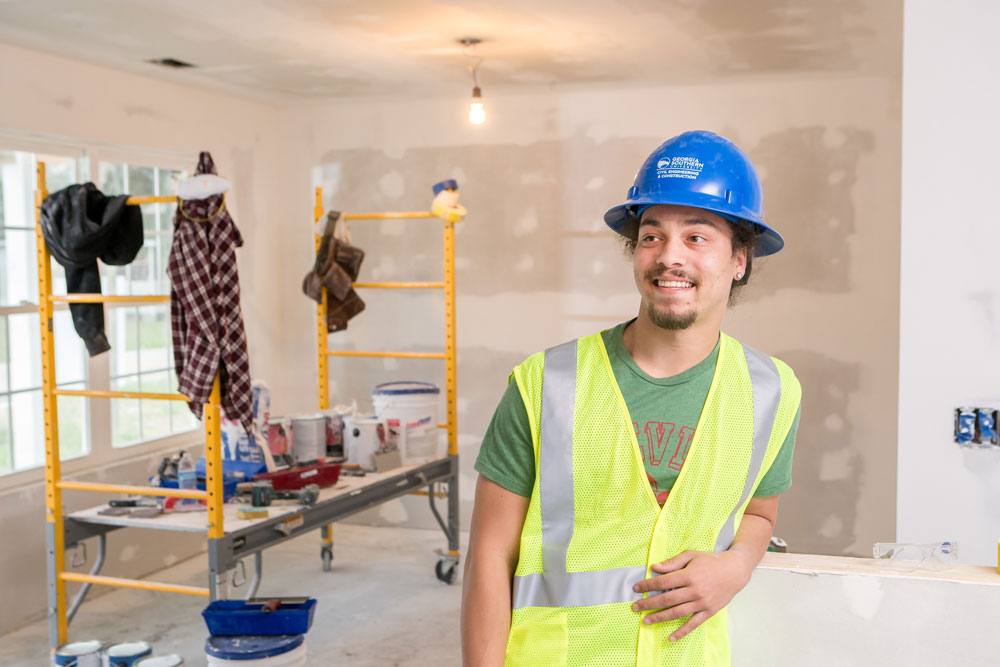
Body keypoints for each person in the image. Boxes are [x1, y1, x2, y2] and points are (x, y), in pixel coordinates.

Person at [461, 130, 802, 666]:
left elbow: (759, 514)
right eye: (651, 236)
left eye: (697, 237)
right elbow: (488, 555)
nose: (669, 257)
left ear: (740, 259)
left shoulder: (772, 390)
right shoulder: (546, 383)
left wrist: (737, 566)